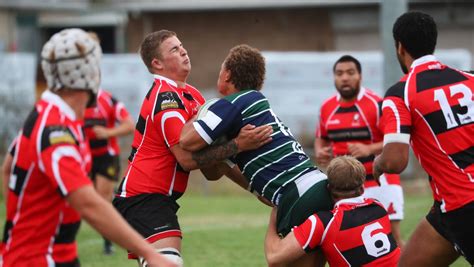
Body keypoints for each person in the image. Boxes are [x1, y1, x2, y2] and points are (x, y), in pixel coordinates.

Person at [0, 28, 177, 267]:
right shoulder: (56, 130)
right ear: (89, 74)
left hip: (53, 254)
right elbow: (87, 204)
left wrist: (19, 216)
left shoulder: (46, 111)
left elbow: (8, 168)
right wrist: (152, 254)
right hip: (37, 258)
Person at [112, 30, 272, 267]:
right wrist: (238, 143)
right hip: (142, 197)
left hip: (160, 201)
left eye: (182, 45)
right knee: (169, 263)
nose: (184, 51)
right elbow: (187, 160)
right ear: (157, 63)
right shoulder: (165, 98)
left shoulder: (194, 96)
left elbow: (214, 168)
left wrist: (258, 189)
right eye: (174, 49)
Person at [179, 44, 333, 266]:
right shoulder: (251, 108)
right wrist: (234, 147)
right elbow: (215, 173)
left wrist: (197, 114)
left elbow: (187, 141)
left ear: (228, 74)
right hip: (315, 185)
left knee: (282, 261)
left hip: (298, 194)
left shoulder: (231, 104)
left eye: (221, 67)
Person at [373, 11, 474, 266]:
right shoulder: (470, 79)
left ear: (399, 47)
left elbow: (395, 161)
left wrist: (378, 163)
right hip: (447, 206)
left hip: (463, 205)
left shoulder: (401, 93)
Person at [314, 55, 405, 248]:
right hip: (344, 188)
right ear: (334, 78)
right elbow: (321, 138)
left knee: (392, 239)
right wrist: (320, 151)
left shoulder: (376, 103)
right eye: (339, 73)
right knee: (347, 241)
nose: (345, 78)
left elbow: (395, 140)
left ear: (360, 76)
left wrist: (368, 148)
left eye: (350, 73)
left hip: (380, 182)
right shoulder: (326, 108)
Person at [265, 156, 400, 266]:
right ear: (362, 189)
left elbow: (274, 257)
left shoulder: (323, 223)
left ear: (328, 188)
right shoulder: (379, 208)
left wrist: (274, 218)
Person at [84, 87, 134, 255]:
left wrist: (108, 132)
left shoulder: (108, 100)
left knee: (101, 198)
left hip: (107, 156)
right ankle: (115, 198)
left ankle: (108, 243)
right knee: (87, 199)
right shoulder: (75, 100)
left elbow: (129, 125)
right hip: (84, 157)